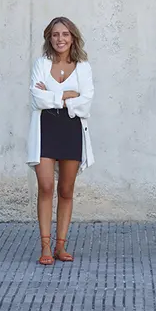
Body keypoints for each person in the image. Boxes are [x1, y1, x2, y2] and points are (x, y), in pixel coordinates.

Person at [27, 16, 95, 265]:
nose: (60, 39)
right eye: (55, 34)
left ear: (73, 37)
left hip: (71, 130)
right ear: (49, 37)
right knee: (46, 187)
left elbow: (86, 103)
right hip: (45, 129)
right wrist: (67, 96)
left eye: (65, 34)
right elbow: (36, 98)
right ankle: (45, 246)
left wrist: (52, 95)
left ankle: (60, 246)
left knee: (66, 190)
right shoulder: (41, 64)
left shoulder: (83, 67)